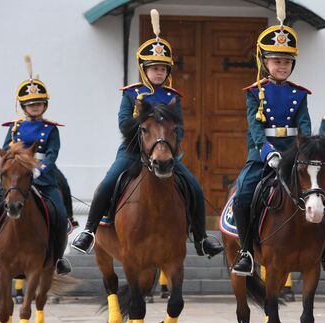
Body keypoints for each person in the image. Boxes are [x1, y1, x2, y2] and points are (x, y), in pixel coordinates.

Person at [71, 9, 222, 257]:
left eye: (163, 69)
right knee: (108, 184)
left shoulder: (173, 97)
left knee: (194, 186)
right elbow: (122, 123)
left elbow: (180, 127)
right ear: (144, 69)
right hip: (133, 152)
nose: (159, 73)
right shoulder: (132, 94)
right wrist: (141, 127)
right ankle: (88, 231)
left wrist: (167, 145)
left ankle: (201, 237)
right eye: (154, 68)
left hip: (165, 153)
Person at [230, 12, 325, 276]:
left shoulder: (299, 94)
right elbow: (255, 129)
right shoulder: (255, 92)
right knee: (243, 195)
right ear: (265, 62)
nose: (282, 66)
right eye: (276, 61)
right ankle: (246, 252)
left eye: (287, 62)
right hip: (262, 153)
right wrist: (267, 153)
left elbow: (305, 127)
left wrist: (304, 151)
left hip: (294, 154)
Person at [0, 54, 72, 274]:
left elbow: (52, 153)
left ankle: (57, 258)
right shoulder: (15, 127)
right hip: (15, 178)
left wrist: (38, 169)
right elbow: (6, 153)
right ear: (23, 106)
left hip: (43, 177)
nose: (35, 107)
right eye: (30, 104)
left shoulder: (51, 129)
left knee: (59, 213)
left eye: (39, 103)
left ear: (45, 105)